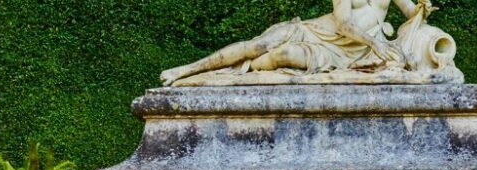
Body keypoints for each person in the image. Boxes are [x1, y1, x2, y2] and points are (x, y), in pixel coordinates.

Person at [160, 0, 434, 86]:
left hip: (348, 53)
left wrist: (423, 8)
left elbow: (411, 14)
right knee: (257, 46)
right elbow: (343, 24)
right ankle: (186, 70)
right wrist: (376, 43)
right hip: (313, 33)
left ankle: (242, 69)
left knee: (283, 57)